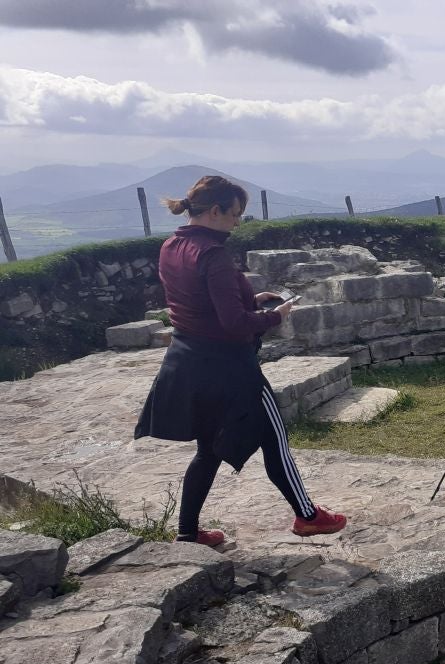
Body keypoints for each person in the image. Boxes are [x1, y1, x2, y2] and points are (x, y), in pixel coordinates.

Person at [135, 174, 347, 546]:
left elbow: (202, 304)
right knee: (275, 438)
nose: (237, 222)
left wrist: (250, 298)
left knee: (207, 449)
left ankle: (187, 532)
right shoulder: (213, 254)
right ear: (215, 211)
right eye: (234, 214)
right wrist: (274, 316)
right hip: (231, 368)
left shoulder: (171, 245)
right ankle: (308, 516)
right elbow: (233, 325)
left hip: (188, 362)